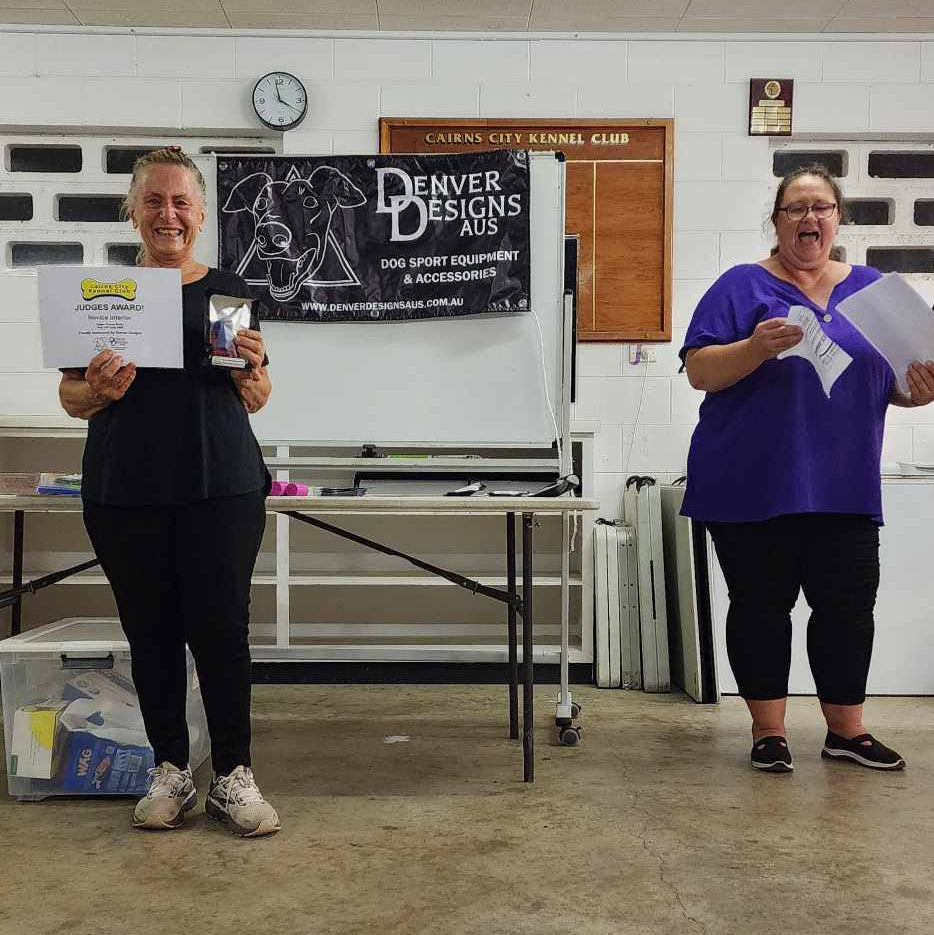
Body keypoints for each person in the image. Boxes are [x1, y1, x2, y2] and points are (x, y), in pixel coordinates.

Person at [680, 163, 934, 774]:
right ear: (776, 221)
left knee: (848, 609)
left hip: (843, 483)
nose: (809, 217)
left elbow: (889, 382)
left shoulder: (874, 292)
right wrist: (754, 348)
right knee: (760, 607)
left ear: (838, 218)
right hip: (749, 481)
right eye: (795, 208)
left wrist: (918, 392)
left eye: (821, 207)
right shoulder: (741, 286)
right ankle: (768, 733)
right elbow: (700, 372)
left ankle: (846, 731)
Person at [59, 147, 280, 835]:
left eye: (181, 201)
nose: (168, 214)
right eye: (153, 201)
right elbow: (70, 397)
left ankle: (233, 775)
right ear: (133, 211)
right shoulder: (104, 297)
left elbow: (256, 396)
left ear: (201, 213)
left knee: (222, 632)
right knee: (150, 632)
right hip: (126, 490)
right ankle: (170, 770)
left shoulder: (226, 293)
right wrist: (98, 389)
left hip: (222, 487)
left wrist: (253, 376)